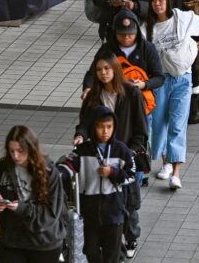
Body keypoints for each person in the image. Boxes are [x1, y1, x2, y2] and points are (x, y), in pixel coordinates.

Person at [75, 55, 148, 259]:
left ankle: (130, 238)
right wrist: (80, 135)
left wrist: (129, 152)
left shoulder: (132, 93)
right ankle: (116, 249)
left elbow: (141, 129)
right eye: (99, 70)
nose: (103, 73)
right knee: (106, 202)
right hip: (97, 157)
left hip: (123, 156)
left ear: (116, 69)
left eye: (107, 68)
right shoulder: (93, 96)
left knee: (128, 203)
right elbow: (84, 123)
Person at [145, 0, 199, 189]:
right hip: (160, 80)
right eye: (154, 0)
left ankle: (176, 173)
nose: (157, 4)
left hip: (182, 79)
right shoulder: (146, 28)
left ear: (168, 0)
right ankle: (166, 162)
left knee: (177, 124)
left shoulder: (182, 18)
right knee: (159, 123)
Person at [0, 126, 67, 263]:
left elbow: (51, 214)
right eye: (11, 151)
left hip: (43, 243)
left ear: (31, 148)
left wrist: (22, 209)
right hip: (11, 242)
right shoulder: (2, 168)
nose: (15, 156)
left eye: (20, 151)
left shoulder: (49, 171)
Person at [60, 107, 136, 263]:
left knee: (111, 255)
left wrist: (113, 173)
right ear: (93, 127)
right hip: (90, 213)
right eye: (101, 127)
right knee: (91, 252)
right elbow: (68, 166)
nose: (105, 131)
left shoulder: (121, 150)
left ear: (114, 127)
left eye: (109, 127)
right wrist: (55, 174)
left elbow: (131, 175)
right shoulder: (82, 150)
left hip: (114, 213)